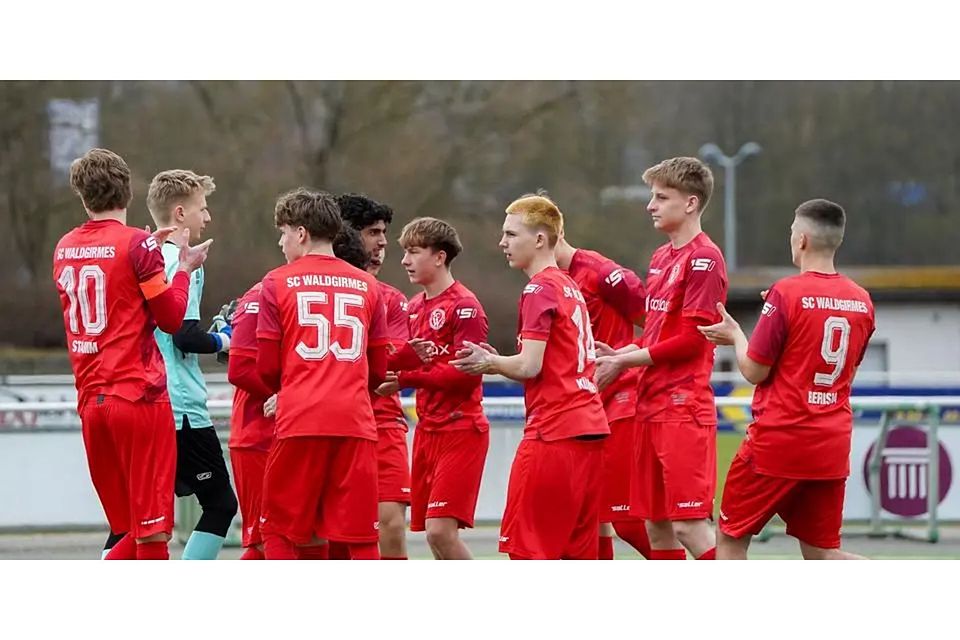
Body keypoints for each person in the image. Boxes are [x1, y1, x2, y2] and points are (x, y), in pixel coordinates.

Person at [53, 148, 211, 560]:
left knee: (124, 529)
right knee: (151, 534)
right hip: (138, 398)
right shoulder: (138, 245)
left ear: (83, 197)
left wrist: (147, 251)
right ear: (128, 191)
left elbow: (109, 284)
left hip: (91, 402)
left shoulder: (65, 247)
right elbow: (173, 320)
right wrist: (181, 269)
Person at [697, 199, 875, 559]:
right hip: (830, 444)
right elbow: (844, 367)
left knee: (730, 538)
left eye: (792, 232)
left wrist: (736, 335)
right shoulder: (862, 300)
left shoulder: (787, 292)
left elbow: (754, 370)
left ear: (803, 240)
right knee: (822, 555)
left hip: (779, 441)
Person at [452, 193, 609, 560]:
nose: (502, 243)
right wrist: (502, 359)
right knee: (574, 555)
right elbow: (542, 364)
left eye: (511, 234)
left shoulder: (539, 288)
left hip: (554, 433)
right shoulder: (569, 285)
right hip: (588, 430)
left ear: (540, 239)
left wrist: (488, 364)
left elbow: (529, 366)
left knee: (530, 552)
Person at [595, 157, 727, 560]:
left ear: (690, 203)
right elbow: (657, 334)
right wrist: (620, 352)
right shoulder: (660, 257)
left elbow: (692, 341)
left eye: (660, 197)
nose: (650, 205)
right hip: (649, 407)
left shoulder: (705, 259)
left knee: (689, 525)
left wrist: (624, 363)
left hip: (682, 409)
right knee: (657, 525)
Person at [256, 188, 389, 560]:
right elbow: (378, 369)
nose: (282, 243)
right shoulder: (369, 285)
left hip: (300, 419)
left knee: (280, 529)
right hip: (355, 422)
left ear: (300, 233)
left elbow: (266, 367)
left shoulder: (276, 282)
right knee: (361, 537)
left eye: (283, 233)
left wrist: (292, 386)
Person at [226, 225, 373, 560]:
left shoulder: (292, 288)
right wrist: (293, 392)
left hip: (304, 426)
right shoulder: (267, 290)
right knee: (268, 540)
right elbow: (240, 369)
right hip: (260, 435)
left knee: (310, 537)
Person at [145, 169, 238, 560]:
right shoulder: (184, 262)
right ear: (180, 214)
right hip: (181, 407)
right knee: (220, 504)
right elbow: (184, 335)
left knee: (139, 514)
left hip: (147, 399)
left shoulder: (143, 254)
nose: (208, 217)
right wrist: (228, 338)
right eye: (203, 208)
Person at [553, 196, 650, 560]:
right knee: (588, 517)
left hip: (621, 402)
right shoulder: (547, 284)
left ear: (548, 235)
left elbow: (660, 326)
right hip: (581, 410)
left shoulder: (601, 273)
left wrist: (623, 359)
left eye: (513, 233)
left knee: (627, 519)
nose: (504, 243)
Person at [389, 217, 489, 559]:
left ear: (440, 257)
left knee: (440, 531)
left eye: (413, 252)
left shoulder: (465, 306)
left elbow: (466, 375)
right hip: (427, 430)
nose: (404, 260)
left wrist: (405, 379)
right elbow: (402, 359)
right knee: (433, 537)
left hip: (461, 428)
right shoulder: (413, 307)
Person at [337, 194, 414, 560]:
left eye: (384, 232)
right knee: (331, 535)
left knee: (391, 525)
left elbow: (389, 371)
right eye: (372, 232)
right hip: (332, 421)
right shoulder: (311, 288)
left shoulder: (392, 299)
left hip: (382, 421)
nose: (383, 242)